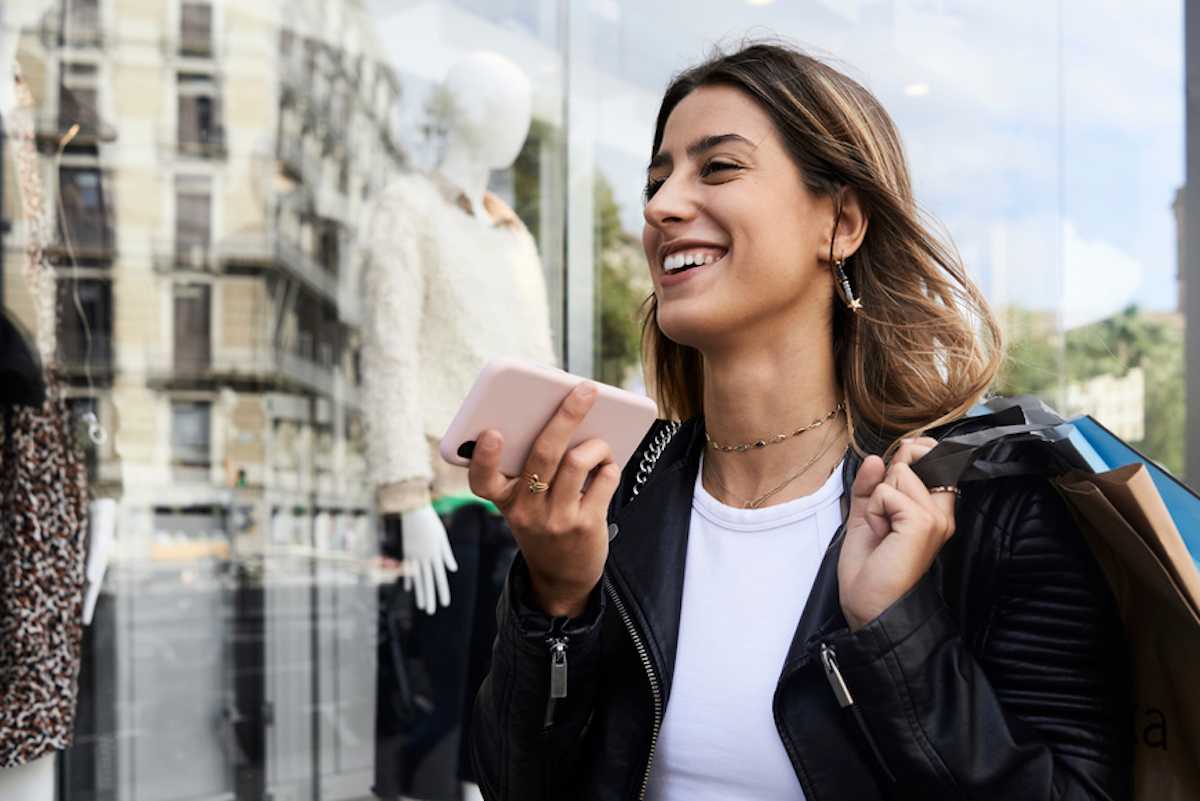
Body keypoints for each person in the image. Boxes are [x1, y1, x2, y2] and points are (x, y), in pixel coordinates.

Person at [464, 42, 1132, 801]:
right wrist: (556, 601)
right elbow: (516, 785)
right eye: (657, 180)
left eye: (717, 168)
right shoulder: (612, 498)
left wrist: (892, 632)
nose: (659, 207)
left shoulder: (989, 504)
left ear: (842, 220)